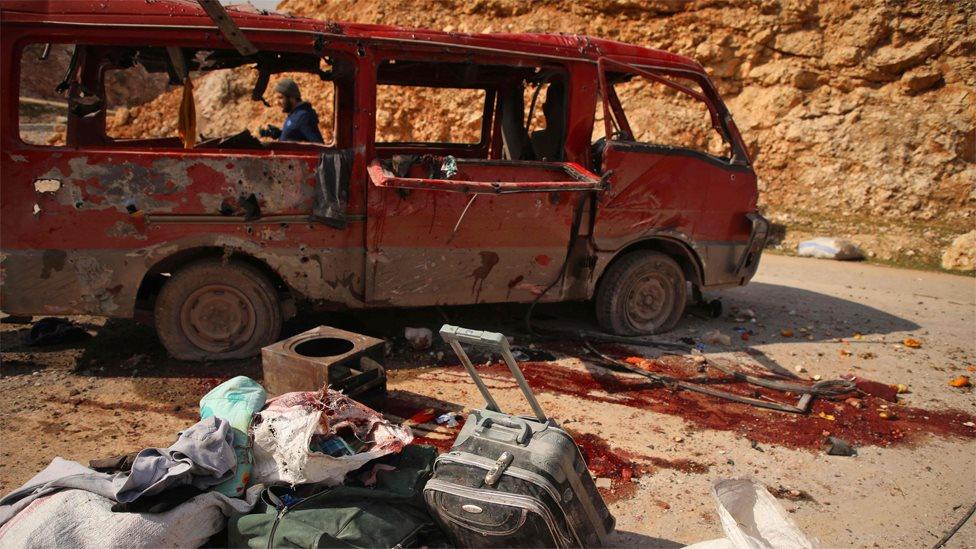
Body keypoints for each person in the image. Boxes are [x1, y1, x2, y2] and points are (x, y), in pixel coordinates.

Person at [264, 78, 324, 144]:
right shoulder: (295, 114)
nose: (277, 102)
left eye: (280, 98)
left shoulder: (303, 116)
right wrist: (279, 134)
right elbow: (296, 135)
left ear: (292, 97)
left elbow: (318, 145)